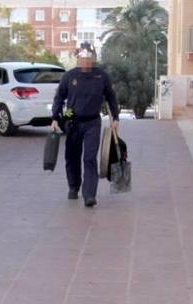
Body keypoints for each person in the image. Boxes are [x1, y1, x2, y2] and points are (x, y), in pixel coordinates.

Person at [51, 42, 120, 208]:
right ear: (78, 58)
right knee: (72, 157)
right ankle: (73, 187)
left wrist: (115, 117)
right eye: (83, 57)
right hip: (71, 116)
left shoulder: (101, 76)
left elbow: (110, 96)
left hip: (92, 120)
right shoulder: (69, 76)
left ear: (93, 58)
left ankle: (89, 195)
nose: (86, 60)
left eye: (89, 57)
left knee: (89, 158)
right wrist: (55, 117)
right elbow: (59, 98)